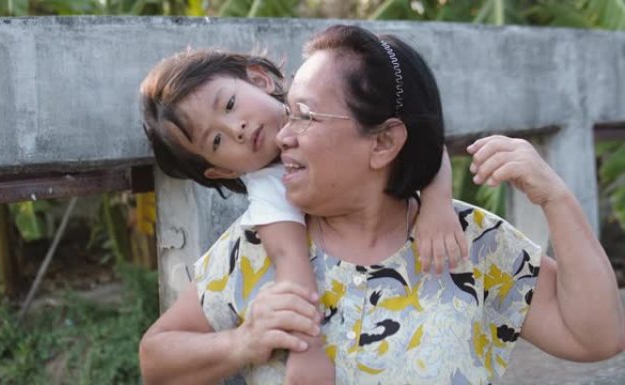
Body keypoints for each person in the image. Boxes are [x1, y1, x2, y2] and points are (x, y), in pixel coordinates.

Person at [138, 24, 625, 385]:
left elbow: (596, 338)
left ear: (383, 143)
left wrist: (556, 199)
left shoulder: (468, 242)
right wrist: (241, 342)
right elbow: (156, 360)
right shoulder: (250, 252)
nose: (281, 134)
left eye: (303, 115)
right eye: (218, 142)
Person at [139, 41, 467, 384]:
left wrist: (436, 203)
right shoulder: (269, 191)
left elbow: (416, 138)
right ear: (221, 171)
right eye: (216, 141)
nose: (235, 128)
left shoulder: (324, 92)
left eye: (231, 105)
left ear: (260, 79)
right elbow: (290, 263)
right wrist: (305, 349)